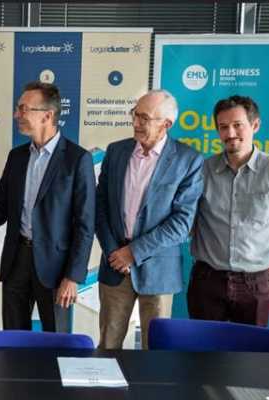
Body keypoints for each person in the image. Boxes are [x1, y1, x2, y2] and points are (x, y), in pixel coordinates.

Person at [0, 81, 96, 332]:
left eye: (23, 108)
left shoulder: (77, 159)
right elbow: (2, 208)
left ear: (47, 116)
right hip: (15, 262)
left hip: (56, 269)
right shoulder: (17, 156)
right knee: (14, 338)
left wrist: (72, 277)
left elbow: (85, 224)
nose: (16, 114)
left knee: (57, 341)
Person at [96, 89, 204, 349]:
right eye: (135, 115)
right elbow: (100, 206)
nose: (136, 123)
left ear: (166, 124)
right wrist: (113, 253)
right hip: (114, 265)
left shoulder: (188, 160)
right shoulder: (116, 151)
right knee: (108, 346)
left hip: (159, 270)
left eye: (144, 118)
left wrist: (133, 253)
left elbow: (182, 223)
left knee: (156, 352)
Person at [188, 95, 269, 326]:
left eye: (238, 125)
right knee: (203, 347)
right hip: (207, 280)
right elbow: (190, 223)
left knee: (250, 348)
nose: (230, 133)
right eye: (223, 127)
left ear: (255, 125)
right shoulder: (202, 171)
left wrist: (258, 260)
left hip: (257, 284)